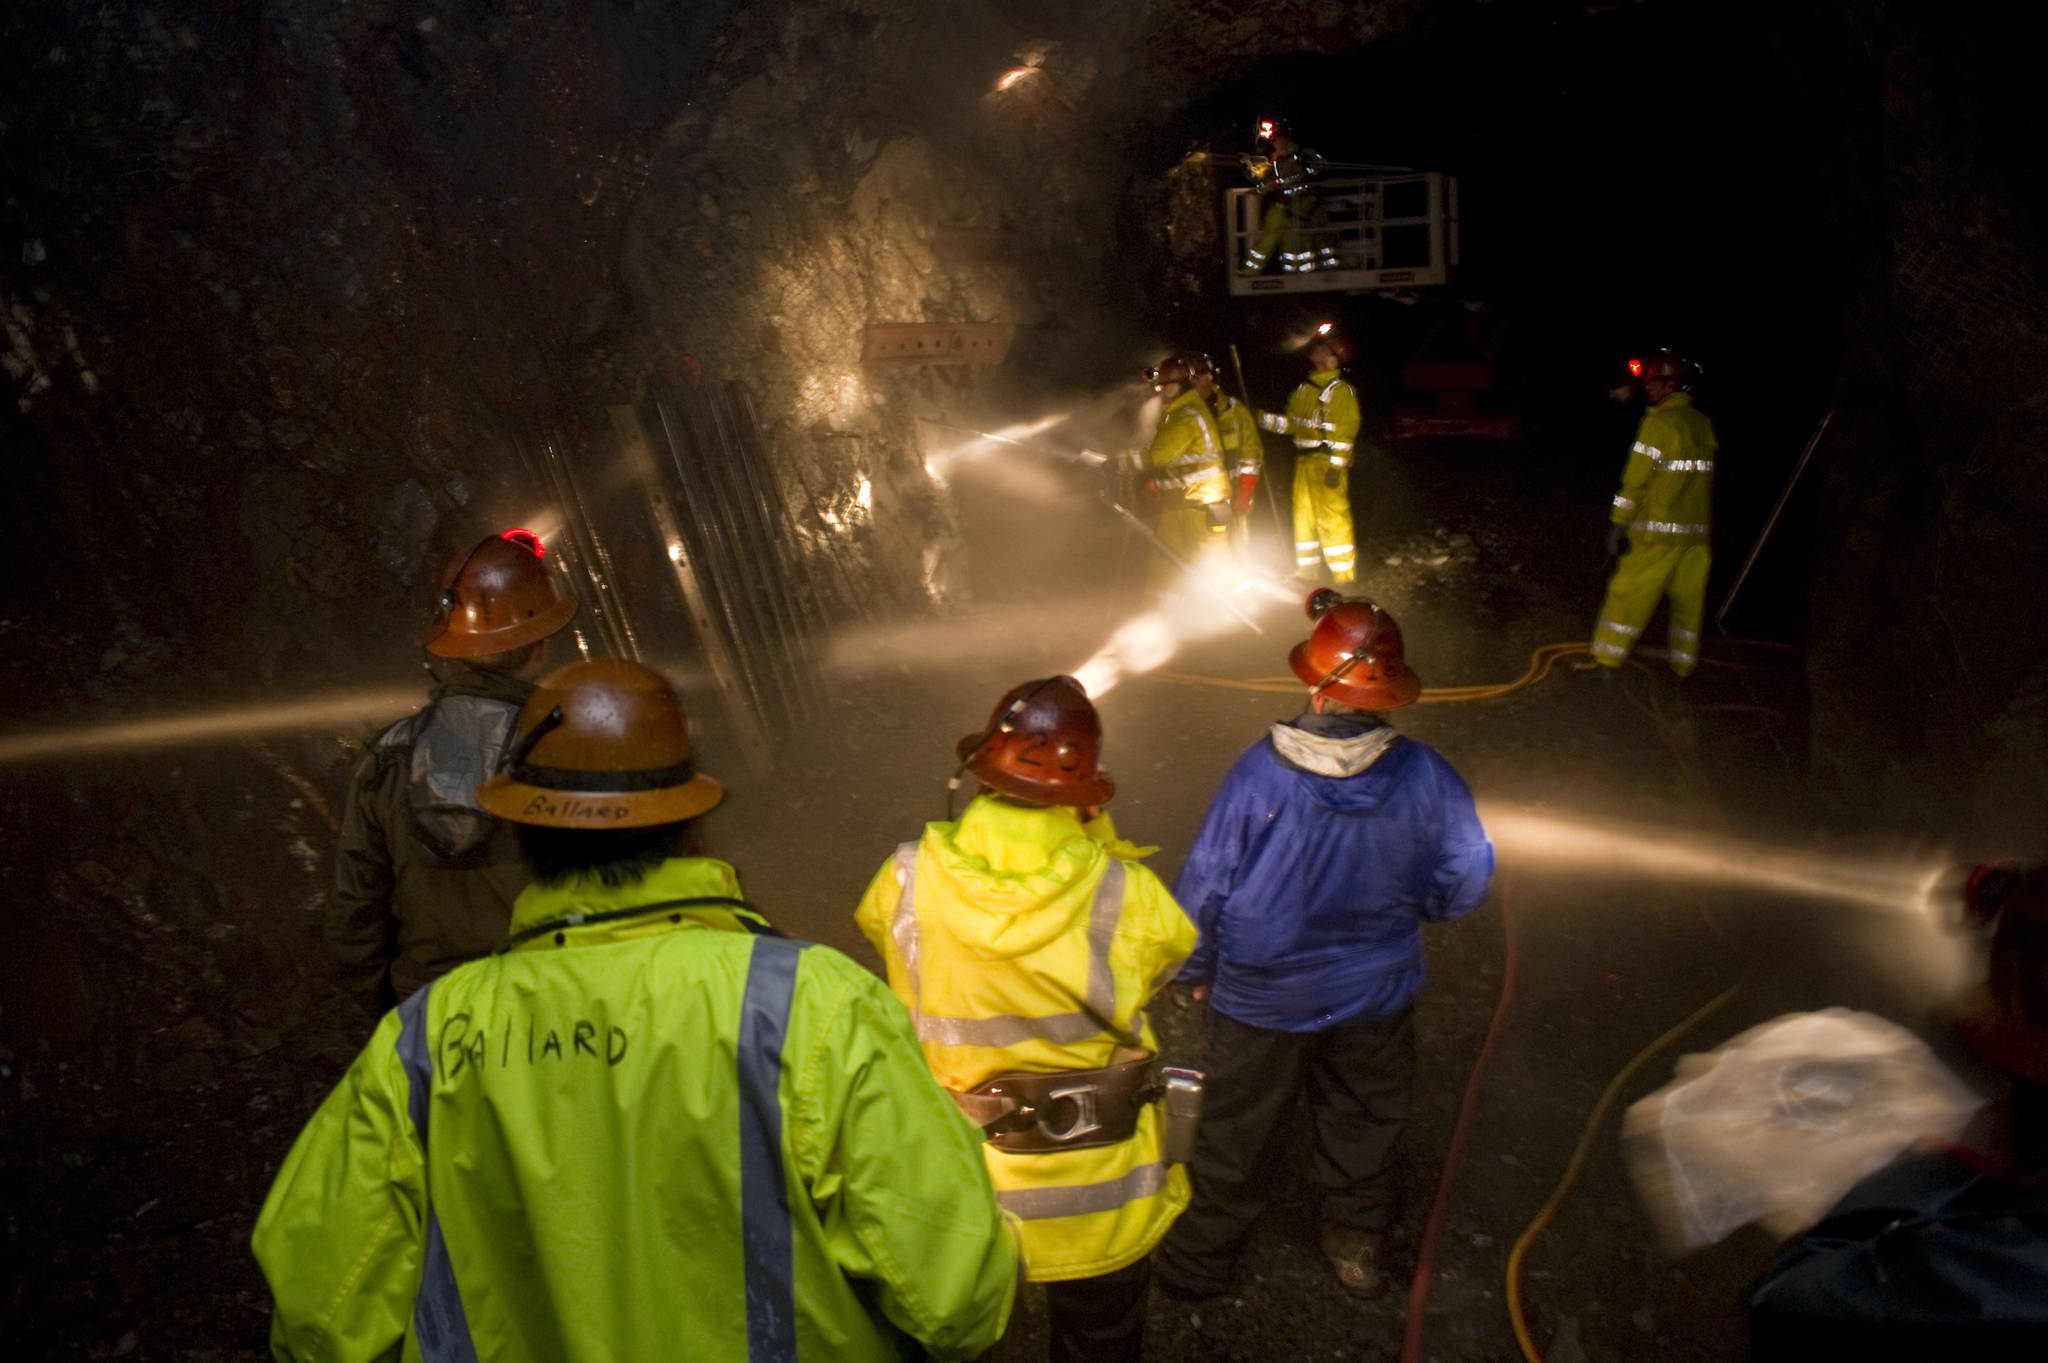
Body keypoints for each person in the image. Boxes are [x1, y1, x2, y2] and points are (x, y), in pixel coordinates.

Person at [255, 659, 1018, 1362]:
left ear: (520, 830)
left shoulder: (422, 1043)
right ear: (690, 823)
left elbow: (319, 1315)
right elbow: (955, 1300)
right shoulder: (814, 1008)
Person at [1154, 593, 1493, 1300]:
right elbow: (1466, 875)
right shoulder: (1427, 774)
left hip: (1261, 994)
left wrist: (1194, 966)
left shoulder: (1258, 775)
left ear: (1315, 682)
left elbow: (1207, 882)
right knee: (1365, 1113)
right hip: (1375, 989)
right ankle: (1354, 1245)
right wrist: (1421, 906)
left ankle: (1202, 1264)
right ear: (1387, 694)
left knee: (1236, 1124)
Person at [855, 676, 1197, 1363]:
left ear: (977, 772)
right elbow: (1166, 955)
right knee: (1100, 1339)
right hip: (1101, 1193)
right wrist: (1095, 835)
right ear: (1087, 786)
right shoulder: (1125, 891)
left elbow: (883, 937)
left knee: (962, 1337)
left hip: (966, 1181)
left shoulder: (904, 879)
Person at [327, 529, 577, 1013]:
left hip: (437, 1016)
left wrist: (398, 1014)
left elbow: (354, 919)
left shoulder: (387, 760)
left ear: (453, 646)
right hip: (557, 1015)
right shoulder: (573, 752)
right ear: (541, 645)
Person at [1587, 349, 1716, 677]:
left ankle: (1606, 664)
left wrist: (1618, 524)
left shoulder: (1658, 424)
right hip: (1696, 536)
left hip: (1657, 534)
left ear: (1669, 385)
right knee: (1689, 607)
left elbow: (1636, 481)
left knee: (1627, 596)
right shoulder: (1702, 425)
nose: (1648, 389)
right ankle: (1683, 669)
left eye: (1653, 383)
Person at [1260, 326, 1361, 585]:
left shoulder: (1341, 391)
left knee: (1333, 519)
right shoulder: (1304, 389)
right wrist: (1260, 419)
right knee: (1303, 518)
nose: (1315, 349)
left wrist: (1335, 468)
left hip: (1326, 463)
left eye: (1322, 347)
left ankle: (1344, 577)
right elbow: (1291, 423)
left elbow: (1346, 432)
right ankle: (1307, 574)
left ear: (1333, 357)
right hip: (1304, 461)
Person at [1139, 355, 1231, 598]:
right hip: (1179, 505)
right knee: (1164, 567)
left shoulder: (1187, 415)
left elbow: (1159, 454)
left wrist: (1119, 463)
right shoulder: (1174, 415)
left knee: (1210, 570)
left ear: (1175, 387)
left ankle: (1219, 624)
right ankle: (1160, 617)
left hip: (1201, 508)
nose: (1159, 394)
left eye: (1162, 388)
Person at [1240, 116, 1338, 275]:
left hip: (1301, 207)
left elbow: (1315, 169)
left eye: (1276, 140)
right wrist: (1247, 167)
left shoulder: (1298, 156)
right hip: (1287, 207)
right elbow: (1264, 178)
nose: (1274, 144)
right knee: (1282, 239)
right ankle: (1255, 272)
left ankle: (1316, 271)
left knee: (1308, 239)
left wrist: (1268, 186)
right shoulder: (1275, 160)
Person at [1190, 354, 1266, 555]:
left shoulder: (1233, 409)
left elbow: (1251, 452)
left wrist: (1246, 490)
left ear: (1209, 376)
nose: (1196, 381)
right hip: (1198, 497)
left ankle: (1241, 581)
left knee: (1238, 545)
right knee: (1205, 548)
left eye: (1200, 374)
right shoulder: (1184, 412)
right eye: (1192, 377)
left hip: (1233, 491)